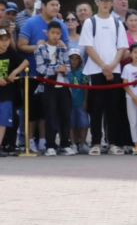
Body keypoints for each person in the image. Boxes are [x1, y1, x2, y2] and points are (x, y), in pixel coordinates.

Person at [80, 0, 128, 155]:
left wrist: (112, 65)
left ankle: (113, 142)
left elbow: (122, 47)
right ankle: (95, 143)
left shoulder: (118, 23)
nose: (106, 3)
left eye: (108, 0)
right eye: (103, 0)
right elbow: (88, 46)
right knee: (96, 108)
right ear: (97, 2)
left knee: (113, 107)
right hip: (95, 70)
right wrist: (103, 66)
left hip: (115, 71)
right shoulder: (90, 22)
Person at [34, 20, 72, 155]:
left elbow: (68, 66)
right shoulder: (40, 48)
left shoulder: (62, 48)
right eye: (52, 33)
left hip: (63, 85)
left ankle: (65, 144)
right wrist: (56, 69)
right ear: (47, 33)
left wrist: (63, 69)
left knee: (65, 115)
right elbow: (40, 67)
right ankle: (50, 145)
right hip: (48, 85)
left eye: (58, 33)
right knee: (50, 115)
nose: (55, 36)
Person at [0, 28, 26, 154]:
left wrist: (15, 72)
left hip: (6, 92)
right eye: (1, 40)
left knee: (4, 118)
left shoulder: (11, 52)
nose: (4, 43)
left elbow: (25, 62)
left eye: (7, 40)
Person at [66, 52, 88, 153]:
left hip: (80, 102)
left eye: (76, 59)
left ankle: (83, 143)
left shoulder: (83, 72)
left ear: (80, 60)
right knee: (71, 124)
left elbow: (86, 87)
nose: (74, 61)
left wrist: (85, 100)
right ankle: (73, 144)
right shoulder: (66, 72)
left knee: (84, 123)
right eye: (72, 58)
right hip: (70, 103)